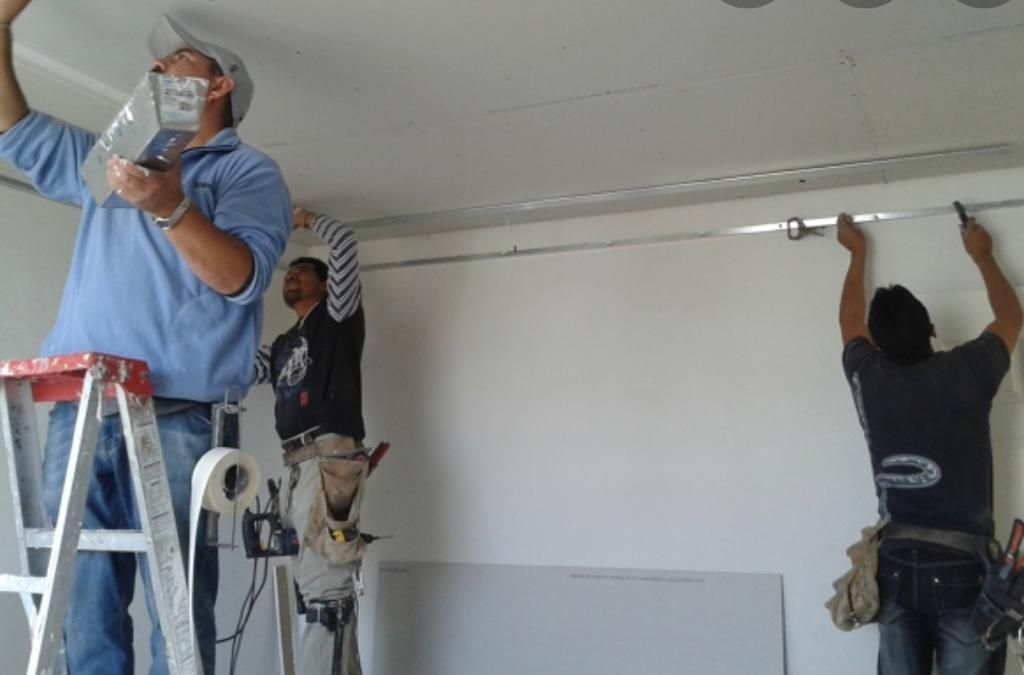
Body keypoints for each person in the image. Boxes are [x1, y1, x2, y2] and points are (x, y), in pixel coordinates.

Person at [0, 6, 291, 675]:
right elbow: (12, 130)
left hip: (177, 415)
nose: (157, 66)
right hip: (79, 407)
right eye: (157, 61)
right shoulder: (111, 163)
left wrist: (169, 206)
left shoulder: (247, 173)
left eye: (179, 60)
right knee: (80, 606)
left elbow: (239, 277)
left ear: (219, 87)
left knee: (179, 613)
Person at [836, 212, 1022, 675]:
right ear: (933, 329)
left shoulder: (868, 376)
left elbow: (848, 322)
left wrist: (856, 255)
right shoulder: (967, 371)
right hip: (964, 571)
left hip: (895, 568)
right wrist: (983, 255)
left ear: (876, 343)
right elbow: (1011, 316)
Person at [252, 206, 370, 675]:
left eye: (301, 272)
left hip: (329, 455)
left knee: (326, 588)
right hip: (298, 462)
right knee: (315, 580)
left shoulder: (337, 319)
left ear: (324, 285)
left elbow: (343, 241)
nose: (291, 278)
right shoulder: (284, 344)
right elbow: (241, 370)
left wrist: (304, 220)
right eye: (288, 274)